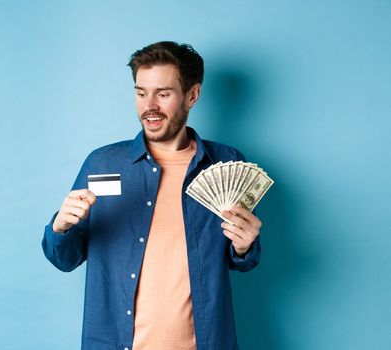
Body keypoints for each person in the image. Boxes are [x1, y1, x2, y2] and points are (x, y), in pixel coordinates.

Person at [42, 41, 262, 350]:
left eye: (163, 94)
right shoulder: (102, 163)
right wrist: (61, 228)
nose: (150, 106)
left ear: (192, 95)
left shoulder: (226, 164)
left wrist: (245, 245)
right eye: (141, 92)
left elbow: (240, 261)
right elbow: (64, 259)